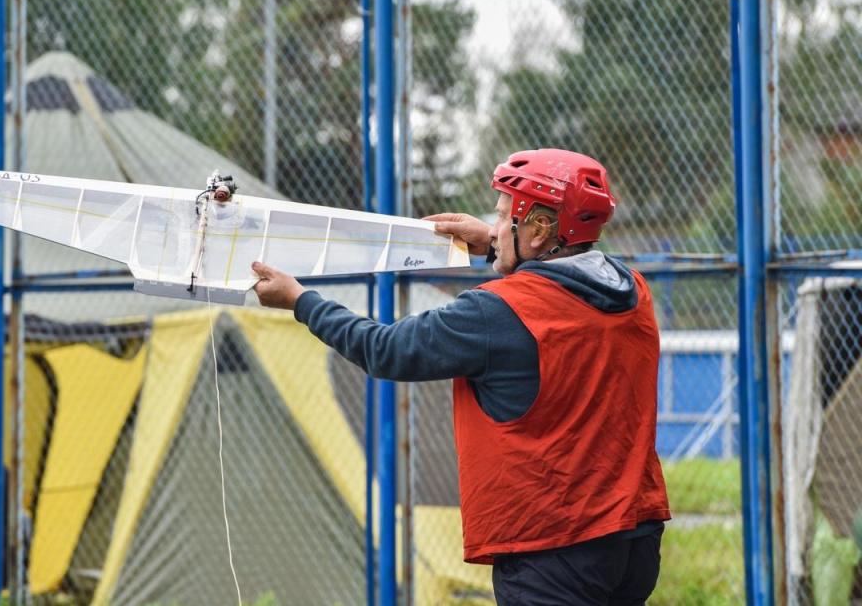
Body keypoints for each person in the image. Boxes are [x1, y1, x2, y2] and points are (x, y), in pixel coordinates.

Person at [253, 148, 671, 605]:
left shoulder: (497, 311)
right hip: (634, 541)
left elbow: (386, 350)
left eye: (502, 217)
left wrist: (301, 301)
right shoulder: (631, 291)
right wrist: (497, 246)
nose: (492, 226)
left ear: (538, 228)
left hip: (552, 548)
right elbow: (560, 276)